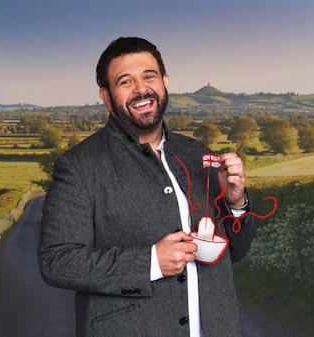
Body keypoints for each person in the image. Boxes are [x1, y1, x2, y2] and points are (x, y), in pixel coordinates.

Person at [38, 37, 255, 336]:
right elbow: (56, 261)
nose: (141, 89)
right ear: (106, 96)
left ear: (164, 82)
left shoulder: (198, 154)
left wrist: (236, 202)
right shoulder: (79, 166)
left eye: (149, 77)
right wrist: (150, 261)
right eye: (125, 81)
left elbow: (235, 252)